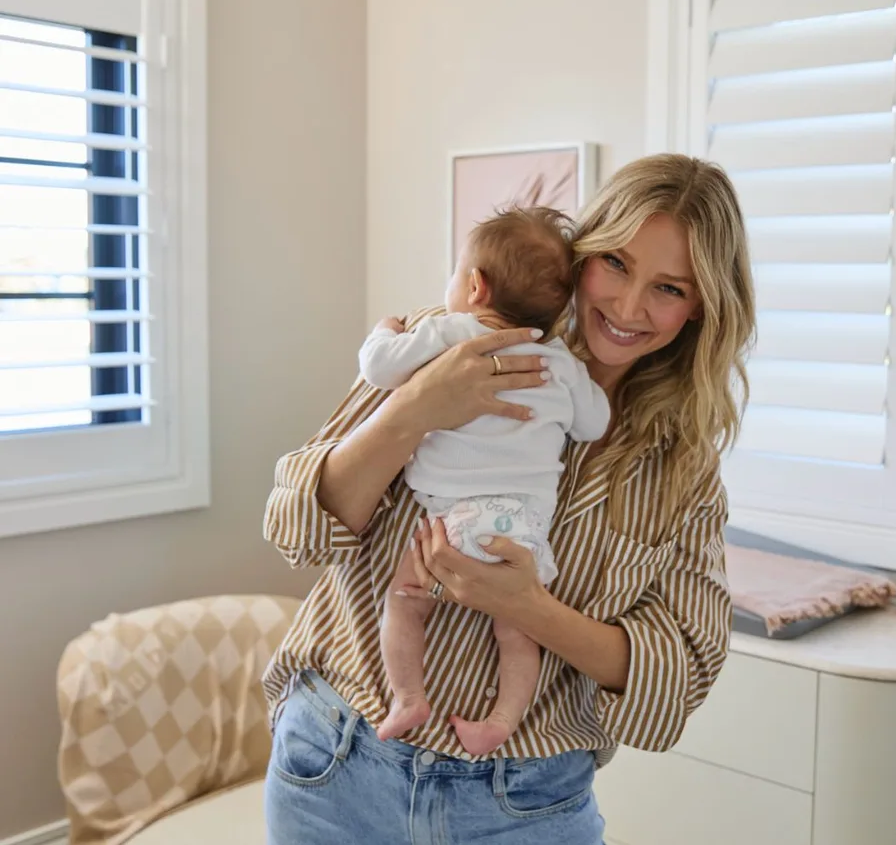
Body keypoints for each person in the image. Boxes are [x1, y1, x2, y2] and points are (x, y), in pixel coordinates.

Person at [261, 153, 756, 845]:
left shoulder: (682, 466)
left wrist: (525, 608)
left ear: (702, 306)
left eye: (668, 288)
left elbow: (678, 678)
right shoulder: (445, 345)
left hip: (522, 804)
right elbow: (296, 532)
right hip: (337, 766)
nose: (627, 306)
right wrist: (413, 411)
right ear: (582, 253)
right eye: (615, 262)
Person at [356, 206, 610, 755]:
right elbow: (594, 424)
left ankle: (408, 698)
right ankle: (502, 720)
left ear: (475, 286)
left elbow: (378, 368)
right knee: (515, 628)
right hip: (523, 524)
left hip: (452, 518)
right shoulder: (559, 360)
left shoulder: (453, 332)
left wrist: (386, 330)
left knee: (405, 600)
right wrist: (574, 378)